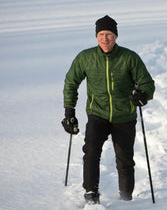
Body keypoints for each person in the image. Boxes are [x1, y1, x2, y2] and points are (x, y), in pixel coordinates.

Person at [62, 15, 155, 205]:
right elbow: (71, 83)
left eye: (109, 34)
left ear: (116, 36)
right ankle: (90, 193)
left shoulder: (129, 57)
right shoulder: (85, 58)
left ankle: (126, 196)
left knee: (124, 158)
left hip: (124, 115)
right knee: (91, 151)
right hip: (98, 114)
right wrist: (69, 112)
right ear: (96, 36)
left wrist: (143, 95)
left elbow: (147, 82)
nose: (105, 38)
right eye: (102, 34)